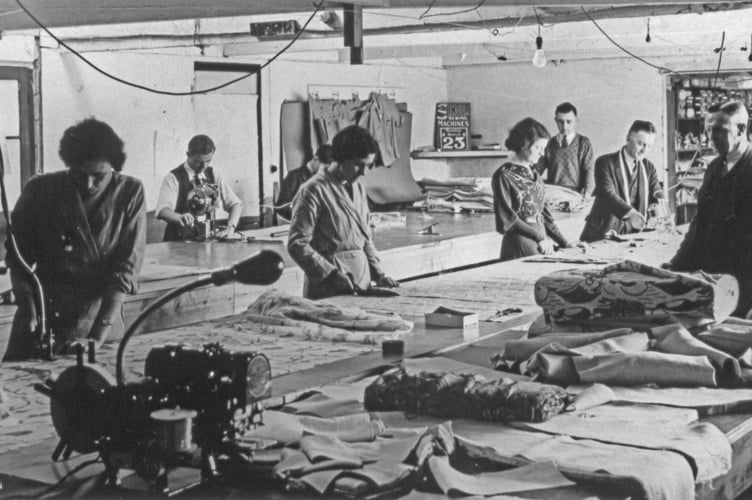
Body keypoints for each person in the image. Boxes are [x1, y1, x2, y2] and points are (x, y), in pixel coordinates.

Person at [3, 118, 146, 360]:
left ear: (114, 167)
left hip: (101, 319)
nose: (89, 184)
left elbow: (125, 272)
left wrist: (97, 338)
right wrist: (28, 309)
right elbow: (19, 262)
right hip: (42, 316)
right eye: (79, 174)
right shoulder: (39, 190)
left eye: (98, 176)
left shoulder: (130, 192)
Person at [287, 125, 398, 299]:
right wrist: (331, 275)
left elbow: (364, 237)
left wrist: (378, 273)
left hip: (361, 280)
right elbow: (297, 245)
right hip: (328, 286)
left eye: (367, 166)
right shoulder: (312, 190)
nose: (363, 172)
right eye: (359, 165)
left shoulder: (358, 187)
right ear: (341, 158)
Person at [667, 101, 752, 317]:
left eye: (719, 130)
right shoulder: (714, 167)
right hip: (712, 276)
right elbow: (699, 224)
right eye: (708, 130)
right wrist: (676, 265)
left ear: (741, 129)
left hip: (744, 280)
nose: (711, 137)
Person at [492, 117, 571, 261]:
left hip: (541, 243)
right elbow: (507, 220)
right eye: (538, 148)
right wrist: (540, 238)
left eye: (544, 148)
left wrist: (565, 243)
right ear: (524, 145)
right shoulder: (504, 175)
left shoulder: (536, 176)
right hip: (519, 245)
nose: (542, 154)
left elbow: (546, 218)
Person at [580, 120, 664, 242]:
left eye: (649, 146)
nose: (644, 150)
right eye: (641, 143)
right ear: (628, 138)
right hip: (602, 233)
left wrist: (662, 206)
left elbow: (656, 192)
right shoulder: (605, 162)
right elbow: (608, 194)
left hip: (632, 235)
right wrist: (631, 213)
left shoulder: (648, 167)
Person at [155, 134, 243, 241]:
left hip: (207, 241)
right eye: (198, 161)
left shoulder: (214, 174)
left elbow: (235, 204)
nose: (204, 166)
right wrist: (179, 217)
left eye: (208, 161)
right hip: (178, 242)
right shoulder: (173, 178)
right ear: (188, 155)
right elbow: (162, 211)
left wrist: (230, 227)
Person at [536, 102, 595, 198]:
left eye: (569, 121)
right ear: (555, 120)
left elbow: (589, 170)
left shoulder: (584, 143)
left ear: (576, 120)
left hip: (576, 194)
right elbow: (538, 168)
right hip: (553, 194)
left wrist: (588, 192)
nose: (564, 126)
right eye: (560, 122)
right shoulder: (549, 143)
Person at [275, 144, 333, 221]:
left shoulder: (324, 180)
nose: (325, 173)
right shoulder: (294, 177)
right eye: (324, 168)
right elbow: (281, 206)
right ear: (315, 159)